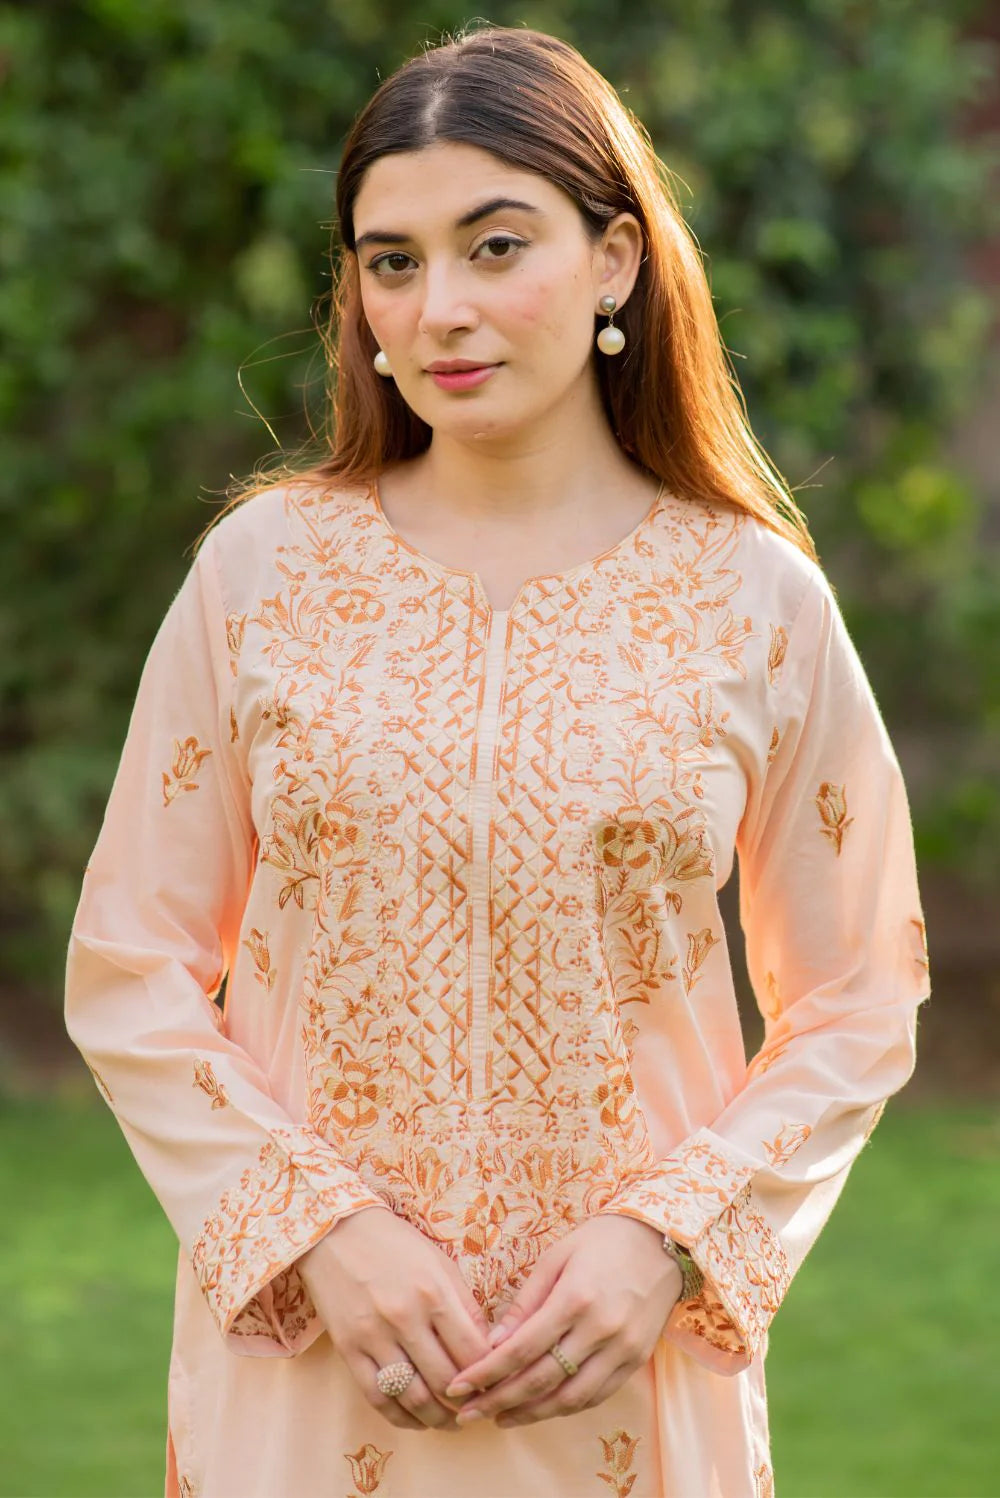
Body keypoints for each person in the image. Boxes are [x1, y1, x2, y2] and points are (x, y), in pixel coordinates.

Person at [64, 24, 932, 1498]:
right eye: (392, 263)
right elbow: (131, 961)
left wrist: (669, 1240)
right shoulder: (264, 575)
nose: (440, 310)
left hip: (622, 1381)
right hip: (314, 1375)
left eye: (496, 245)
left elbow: (857, 995)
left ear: (615, 260)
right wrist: (314, 1230)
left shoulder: (754, 603)